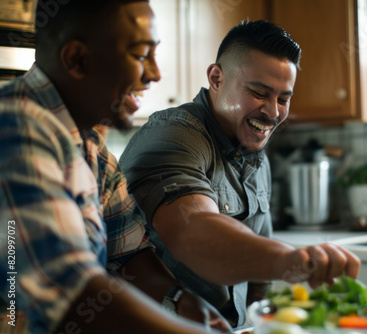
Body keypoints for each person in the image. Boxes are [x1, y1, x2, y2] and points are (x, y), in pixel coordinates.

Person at [0, 0, 231, 333]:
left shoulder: (90, 145)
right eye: (140, 56)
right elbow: (70, 291)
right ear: (77, 59)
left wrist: (179, 300)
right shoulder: (17, 129)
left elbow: (127, 255)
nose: (155, 73)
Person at [120, 20, 361, 327]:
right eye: (259, 93)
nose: (273, 113)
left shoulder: (255, 152)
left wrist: (263, 323)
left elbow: (259, 278)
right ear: (216, 78)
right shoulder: (174, 134)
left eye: (284, 99)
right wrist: (288, 260)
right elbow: (193, 230)